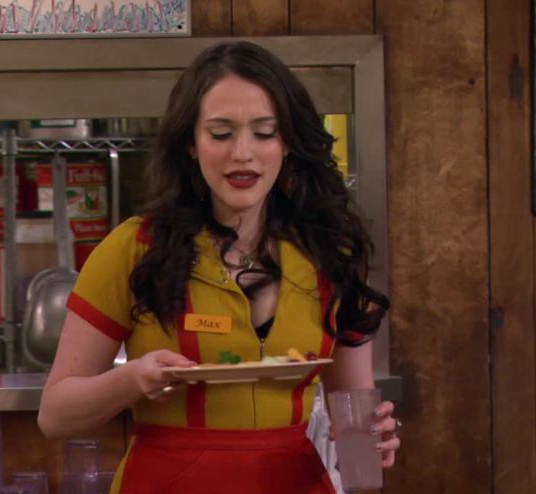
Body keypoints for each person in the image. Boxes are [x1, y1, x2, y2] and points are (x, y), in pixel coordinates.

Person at [38, 40, 400, 493]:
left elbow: (354, 425)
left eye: (264, 132)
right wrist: (132, 379)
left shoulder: (330, 254)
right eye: (221, 133)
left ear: (288, 142)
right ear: (191, 143)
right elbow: (55, 416)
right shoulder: (135, 249)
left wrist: (373, 438)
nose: (242, 153)